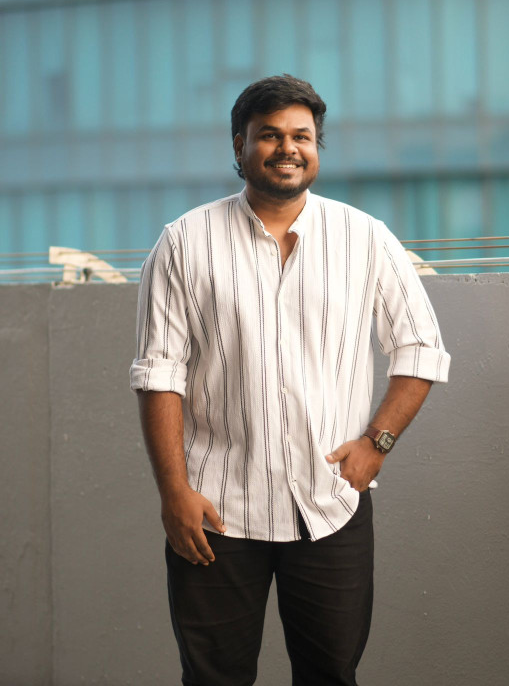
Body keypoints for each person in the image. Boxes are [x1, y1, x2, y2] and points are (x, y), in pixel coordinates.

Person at [130, 74, 450, 686]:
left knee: (330, 674)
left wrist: (377, 443)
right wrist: (173, 492)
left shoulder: (365, 239)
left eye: (301, 136)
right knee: (213, 679)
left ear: (316, 146)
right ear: (240, 145)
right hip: (217, 511)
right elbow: (159, 373)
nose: (287, 148)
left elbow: (422, 350)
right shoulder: (184, 243)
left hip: (329, 505)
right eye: (269, 135)